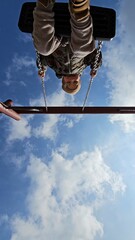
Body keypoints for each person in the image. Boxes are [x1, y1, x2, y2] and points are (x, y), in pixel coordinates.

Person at [32, 0, 102, 94]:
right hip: (77, 40)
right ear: (79, 79)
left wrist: (42, 69)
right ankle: (79, 9)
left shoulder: (56, 67)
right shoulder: (83, 66)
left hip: (57, 40)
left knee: (43, 49)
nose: (72, 79)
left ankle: (44, 5)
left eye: (68, 82)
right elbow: (95, 55)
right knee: (83, 50)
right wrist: (95, 67)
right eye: (75, 82)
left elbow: (44, 58)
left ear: (63, 80)